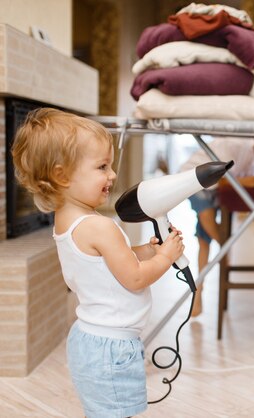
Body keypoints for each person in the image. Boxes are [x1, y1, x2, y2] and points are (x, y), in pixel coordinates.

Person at [11, 108, 185, 417]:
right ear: (62, 175)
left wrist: (144, 250)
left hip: (89, 338)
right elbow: (134, 278)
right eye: (102, 166)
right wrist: (165, 257)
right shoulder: (99, 226)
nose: (113, 175)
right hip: (112, 348)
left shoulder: (68, 220)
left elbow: (105, 263)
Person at [180, 93, 254, 317]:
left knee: (204, 243)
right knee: (209, 225)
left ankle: (198, 296)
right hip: (197, 181)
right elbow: (225, 180)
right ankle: (225, 248)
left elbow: (243, 177)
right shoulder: (238, 141)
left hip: (219, 188)